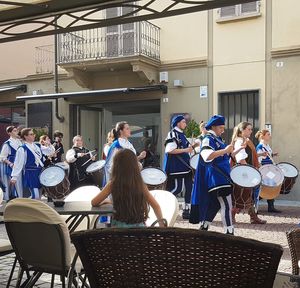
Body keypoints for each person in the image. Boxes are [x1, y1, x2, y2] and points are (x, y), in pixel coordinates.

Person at [189, 115, 238, 234]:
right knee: (226, 204)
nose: (223, 130)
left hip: (220, 177)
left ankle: (204, 226)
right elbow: (207, 156)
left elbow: (222, 155)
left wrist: (233, 150)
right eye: (221, 127)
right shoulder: (208, 138)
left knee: (215, 204)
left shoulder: (217, 139)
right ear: (214, 127)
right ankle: (229, 231)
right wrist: (225, 150)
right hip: (217, 177)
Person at [91, 149, 164, 227]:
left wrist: (110, 201)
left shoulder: (113, 184)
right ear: (135, 166)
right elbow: (156, 206)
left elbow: (94, 202)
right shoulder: (140, 185)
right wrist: (162, 226)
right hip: (140, 233)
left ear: (116, 166)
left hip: (119, 232)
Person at [231, 122, 268, 224]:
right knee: (240, 195)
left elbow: (248, 155)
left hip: (245, 171)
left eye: (251, 129)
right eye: (249, 129)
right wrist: (250, 171)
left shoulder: (245, 140)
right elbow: (240, 159)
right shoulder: (239, 141)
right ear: (242, 130)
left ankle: (253, 216)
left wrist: (258, 156)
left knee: (248, 195)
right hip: (242, 172)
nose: (251, 131)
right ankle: (231, 216)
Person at [164, 115, 194, 220]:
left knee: (189, 188)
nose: (185, 123)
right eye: (183, 122)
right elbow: (169, 150)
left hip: (185, 166)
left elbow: (186, 149)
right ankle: (162, 203)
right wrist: (186, 150)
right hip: (177, 167)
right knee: (178, 188)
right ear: (178, 123)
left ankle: (186, 210)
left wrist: (193, 147)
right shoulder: (172, 134)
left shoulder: (182, 134)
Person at [11, 128, 44, 199]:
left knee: (39, 197)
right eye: (31, 134)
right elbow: (18, 163)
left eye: (33, 134)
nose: (34, 136)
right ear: (25, 136)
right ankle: (26, 206)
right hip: (30, 173)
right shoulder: (22, 148)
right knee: (35, 196)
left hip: (40, 173)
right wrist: (14, 177)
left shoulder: (38, 146)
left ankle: (30, 207)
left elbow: (48, 152)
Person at [255, 129, 281, 213]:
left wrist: (273, 154)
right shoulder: (260, 147)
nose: (270, 136)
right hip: (265, 170)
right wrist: (262, 172)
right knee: (263, 189)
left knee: (271, 186)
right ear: (263, 136)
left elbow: (267, 155)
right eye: (268, 134)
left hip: (269, 169)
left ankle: (271, 207)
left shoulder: (267, 145)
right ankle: (254, 206)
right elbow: (258, 160)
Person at [0, 126, 23, 199]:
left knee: (20, 182)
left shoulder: (20, 142)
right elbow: (2, 157)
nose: (16, 132)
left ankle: (20, 198)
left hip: (20, 163)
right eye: (14, 131)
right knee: (14, 182)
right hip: (12, 165)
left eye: (16, 130)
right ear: (9, 133)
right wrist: (10, 163)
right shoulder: (7, 143)